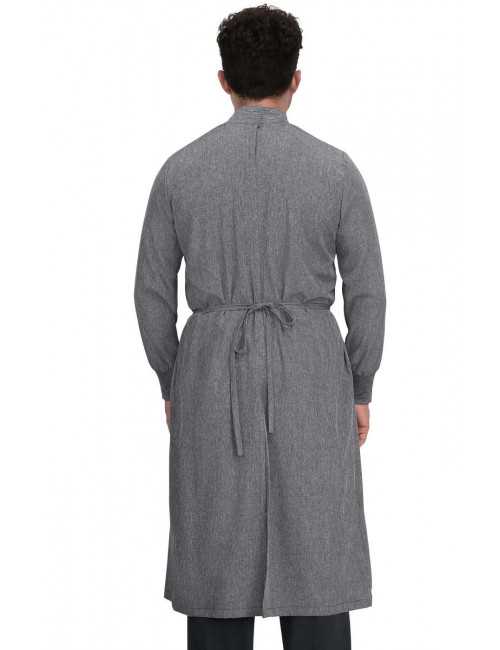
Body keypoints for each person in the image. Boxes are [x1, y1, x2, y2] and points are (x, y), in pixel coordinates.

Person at [134, 5, 386, 649]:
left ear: (223, 80)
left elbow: (151, 294)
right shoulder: (335, 170)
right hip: (313, 376)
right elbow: (367, 292)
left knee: (217, 549)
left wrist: (173, 380)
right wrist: (360, 385)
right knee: (316, 550)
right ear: (296, 78)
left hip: (211, 377)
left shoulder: (180, 171)